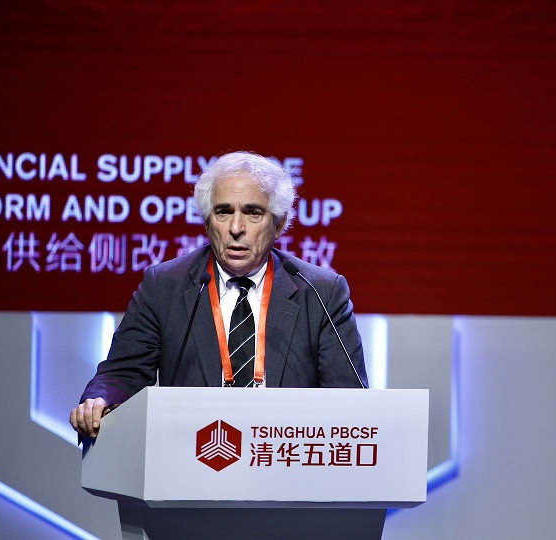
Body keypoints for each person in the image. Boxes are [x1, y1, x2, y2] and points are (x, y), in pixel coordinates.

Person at [70, 151, 367, 439]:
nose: (236, 228)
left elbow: (349, 397)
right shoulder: (164, 286)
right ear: (206, 221)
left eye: (253, 213)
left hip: (286, 455)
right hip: (190, 450)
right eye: (223, 212)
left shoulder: (321, 292)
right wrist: (101, 400)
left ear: (279, 224)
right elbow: (123, 374)